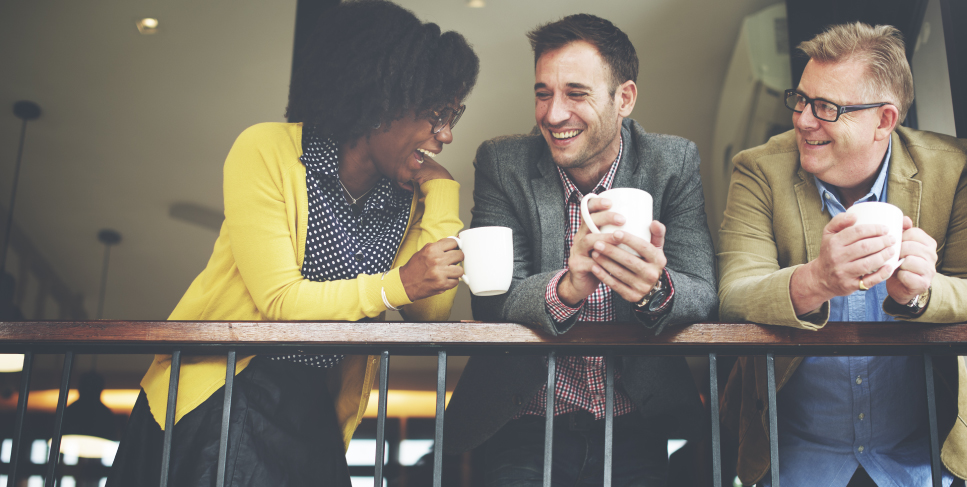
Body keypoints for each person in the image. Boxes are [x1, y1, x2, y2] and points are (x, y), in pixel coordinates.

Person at [106, 2, 479, 485]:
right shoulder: (267, 150)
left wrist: (443, 191)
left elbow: (429, 309)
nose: (446, 133)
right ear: (383, 98)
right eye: (436, 113)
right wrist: (395, 286)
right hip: (229, 388)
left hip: (313, 403)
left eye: (453, 114)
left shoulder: (405, 196)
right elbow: (280, 301)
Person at [443, 14, 717, 486]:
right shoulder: (502, 161)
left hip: (638, 419)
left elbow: (703, 291)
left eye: (576, 93)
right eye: (543, 93)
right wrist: (566, 288)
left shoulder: (673, 161)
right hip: (525, 417)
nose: (553, 114)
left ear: (624, 98)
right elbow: (493, 297)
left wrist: (657, 289)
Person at [717, 22, 967, 487]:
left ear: (885, 120)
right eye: (803, 99)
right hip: (794, 456)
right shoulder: (757, 170)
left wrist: (921, 293)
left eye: (827, 107)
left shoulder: (953, 170)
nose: (804, 119)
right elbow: (733, 292)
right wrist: (817, 281)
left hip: (922, 456)